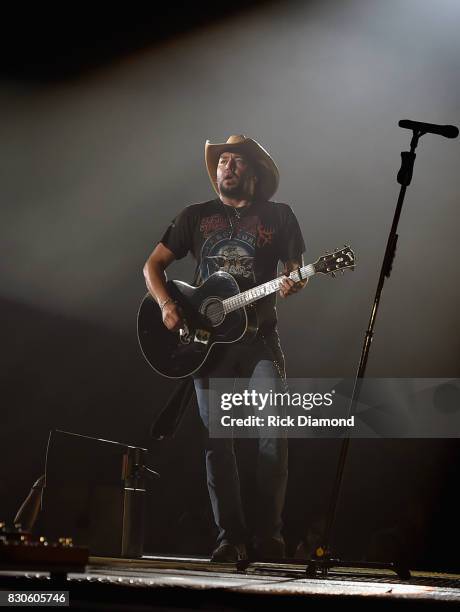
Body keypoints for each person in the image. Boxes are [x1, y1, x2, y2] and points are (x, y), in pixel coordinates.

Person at [143, 134, 307, 562]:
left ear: (253, 171)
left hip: (259, 342)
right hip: (208, 346)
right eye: (221, 162)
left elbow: (294, 271)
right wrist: (165, 305)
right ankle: (229, 539)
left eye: (235, 161)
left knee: (273, 436)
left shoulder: (281, 216)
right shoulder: (194, 217)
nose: (226, 167)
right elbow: (152, 265)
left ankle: (269, 536)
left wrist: (295, 282)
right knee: (219, 442)